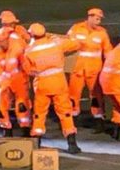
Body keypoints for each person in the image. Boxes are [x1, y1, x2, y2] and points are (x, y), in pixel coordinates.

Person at [22, 23, 82, 154]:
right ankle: (72, 144)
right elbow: (76, 44)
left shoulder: (29, 50)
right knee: (65, 112)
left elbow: (28, 70)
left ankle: (36, 144)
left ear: (32, 35)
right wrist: (55, 37)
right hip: (59, 81)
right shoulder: (56, 43)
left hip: (42, 84)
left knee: (39, 114)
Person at [67, 8, 113, 131]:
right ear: (90, 17)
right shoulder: (76, 28)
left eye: (100, 19)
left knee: (96, 95)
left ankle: (98, 119)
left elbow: (108, 51)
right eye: (97, 18)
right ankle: (72, 119)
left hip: (94, 70)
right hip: (77, 69)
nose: (99, 21)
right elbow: (66, 43)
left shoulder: (102, 33)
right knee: (73, 94)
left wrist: (110, 66)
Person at [0, 25, 31, 137]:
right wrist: (4, 86)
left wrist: (28, 76)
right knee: (0, 110)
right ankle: (7, 130)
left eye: (5, 41)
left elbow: (25, 64)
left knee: (22, 106)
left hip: (19, 80)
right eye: (0, 42)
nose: (3, 44)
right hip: (5, 82)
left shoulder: (17, 47)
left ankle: (25, 129)